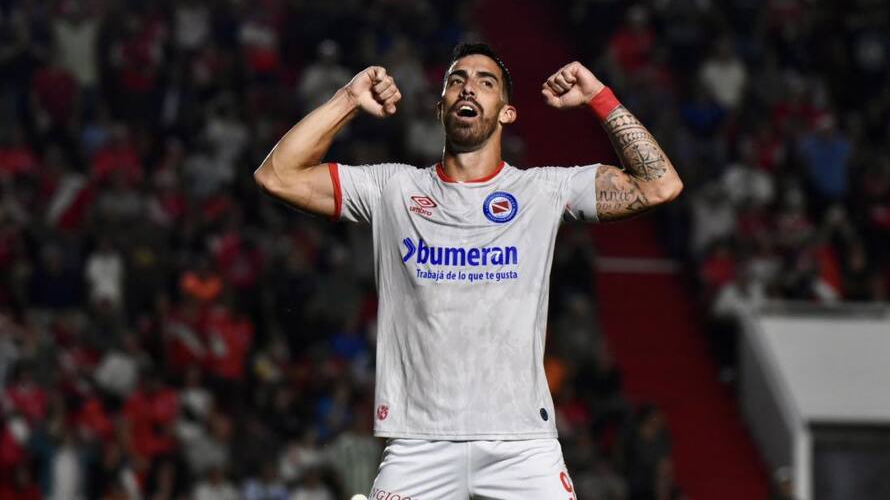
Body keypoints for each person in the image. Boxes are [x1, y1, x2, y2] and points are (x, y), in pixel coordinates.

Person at [254, 43, 682, 499]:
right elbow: (277, 176)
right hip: (418, 445)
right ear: (440, 107)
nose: (468, 88)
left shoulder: (542, 190)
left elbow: (659, 185)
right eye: (456, 80)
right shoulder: (393, 189)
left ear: (507, 112)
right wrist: (348, 100)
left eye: (485, 81)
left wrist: (599, 96)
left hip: (522, 446)